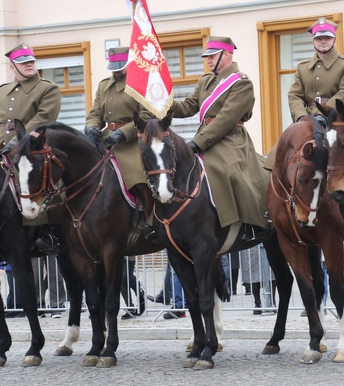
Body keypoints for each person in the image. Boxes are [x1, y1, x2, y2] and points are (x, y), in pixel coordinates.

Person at [171, 35, 270, 242]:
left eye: (212, 56)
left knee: (232, 170)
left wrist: (197, 142)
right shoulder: (206, 81)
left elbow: (226, 119)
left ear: (226, 54)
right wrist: (164, 103)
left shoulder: (241, 83)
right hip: (206, 135)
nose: (207, 60)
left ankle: (250, 224)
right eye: (207, 56)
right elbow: (188, 106)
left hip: (230, 137)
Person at [0, 43, 62, 253]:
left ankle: (47, 231)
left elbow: (44, 117)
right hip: (1, 146)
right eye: (24, 63)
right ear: (13, 66)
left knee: (34, 182)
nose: (29, 65)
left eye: (31, 61)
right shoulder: (3, 91)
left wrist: (20, 139)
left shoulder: (47, 88)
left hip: (32, 146)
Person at [285, 17, 344, 219]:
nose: (323, 42)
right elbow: (294, 95)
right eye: (319, 39)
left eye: (327, 38)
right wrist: (302, 117)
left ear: (334, 40)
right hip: (308, 121)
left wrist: (324, 112)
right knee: (280, 153)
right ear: (313, 41)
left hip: (337, 119)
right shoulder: (303, 67)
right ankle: (278, 199)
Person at [84, 46, 155, 239]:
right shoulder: (103, 85)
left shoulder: (140, 84)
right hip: (106, 139)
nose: (116, 71)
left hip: (132, 141)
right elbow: (94, 114)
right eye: (113, 67)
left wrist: (123, 133)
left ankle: (152, 221)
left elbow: (147, 115)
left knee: (138, 177)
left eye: (120, 67)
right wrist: (91, 127)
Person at [239, 244, 276, 315]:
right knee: (253, 275)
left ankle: (272, 301)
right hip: (251, 245)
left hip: (267, 242)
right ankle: (257, 302)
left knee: (271, 274)